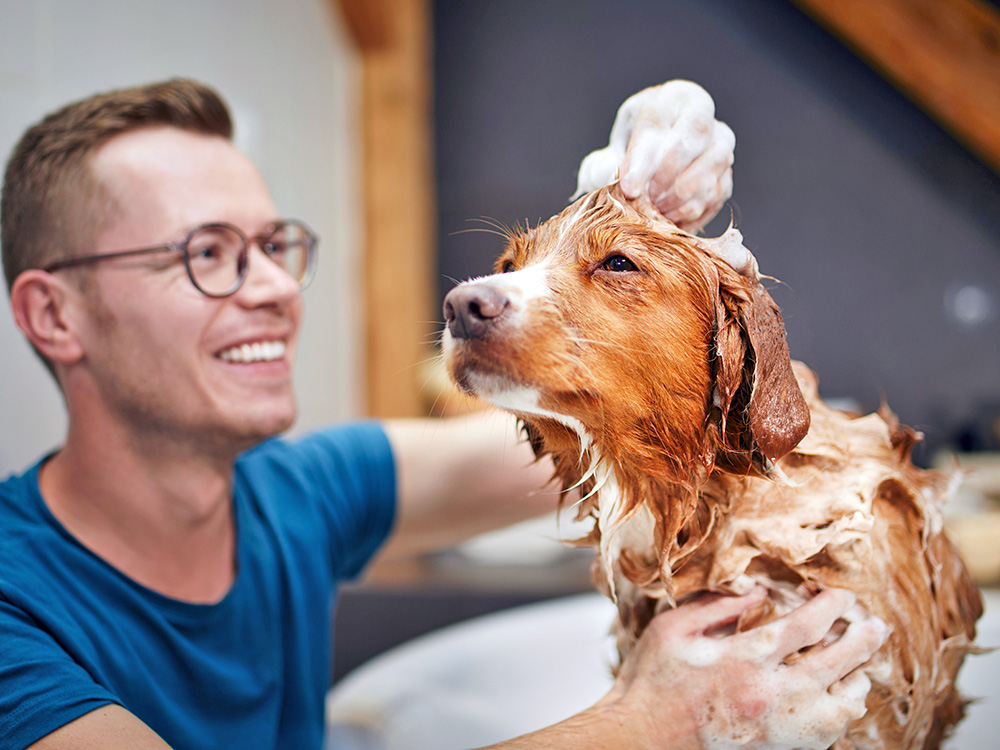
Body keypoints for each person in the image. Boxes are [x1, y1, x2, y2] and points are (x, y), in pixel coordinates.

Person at [0, 79, 886, 750]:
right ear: (54, 315)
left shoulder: (289, 495)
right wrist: (653, 717)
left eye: (274, 247)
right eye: (207, 255)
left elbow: (650, 436)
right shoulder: (13, 605)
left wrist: (667, 295)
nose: (275, 289)